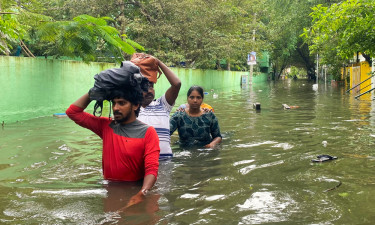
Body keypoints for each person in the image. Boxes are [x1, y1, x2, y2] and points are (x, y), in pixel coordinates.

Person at [66, 87, 160, 205]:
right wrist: (92, 93)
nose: (115, 108)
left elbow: (151, 169)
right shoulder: (106, 126)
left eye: (122, 103)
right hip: (109, 189)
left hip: (135, 191)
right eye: (114, 103)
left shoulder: (148, 132)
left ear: (135, 105)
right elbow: (72, 112)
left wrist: (142, 193)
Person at [137, 57, 181, 159]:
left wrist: (158, 62)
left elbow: (177, 84)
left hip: (165, 164)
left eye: (151, 86)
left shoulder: (163, 105)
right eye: (144, 88)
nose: (149, 91)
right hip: (141, 164)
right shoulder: (130, 109)